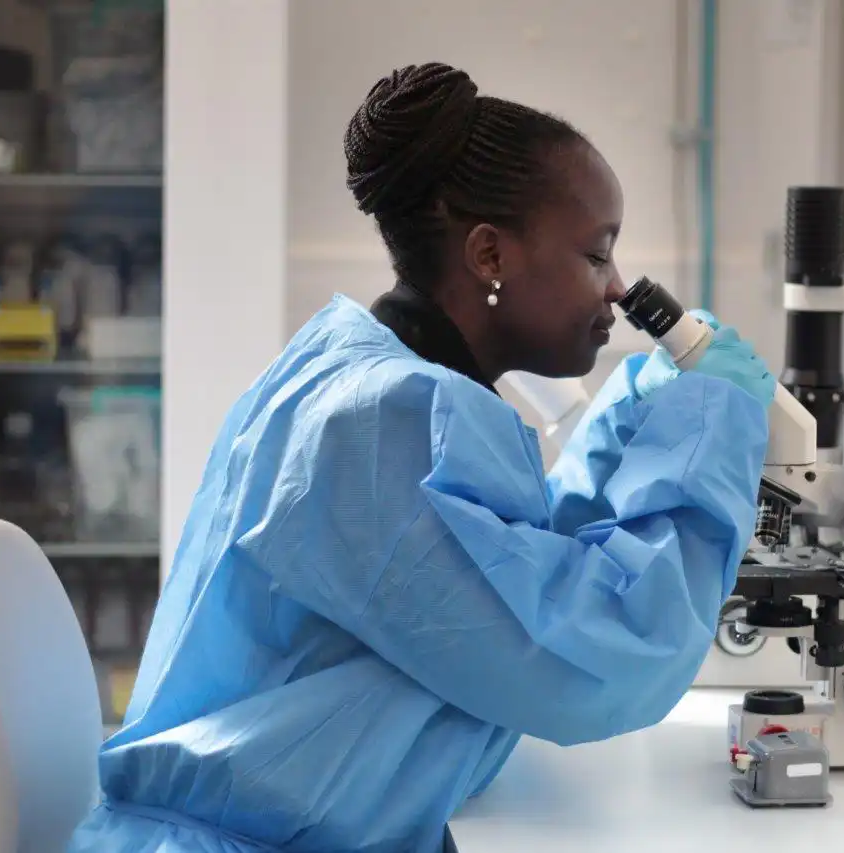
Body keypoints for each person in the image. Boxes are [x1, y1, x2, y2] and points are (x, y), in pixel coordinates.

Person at [68, 62, 776, 853]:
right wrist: (713, 422)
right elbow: (596, 661)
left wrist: (628, 416)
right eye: (595, 255)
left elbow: (510, 577)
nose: (615, 289)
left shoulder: (365, 374)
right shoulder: (380, 425)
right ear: (488, 253)